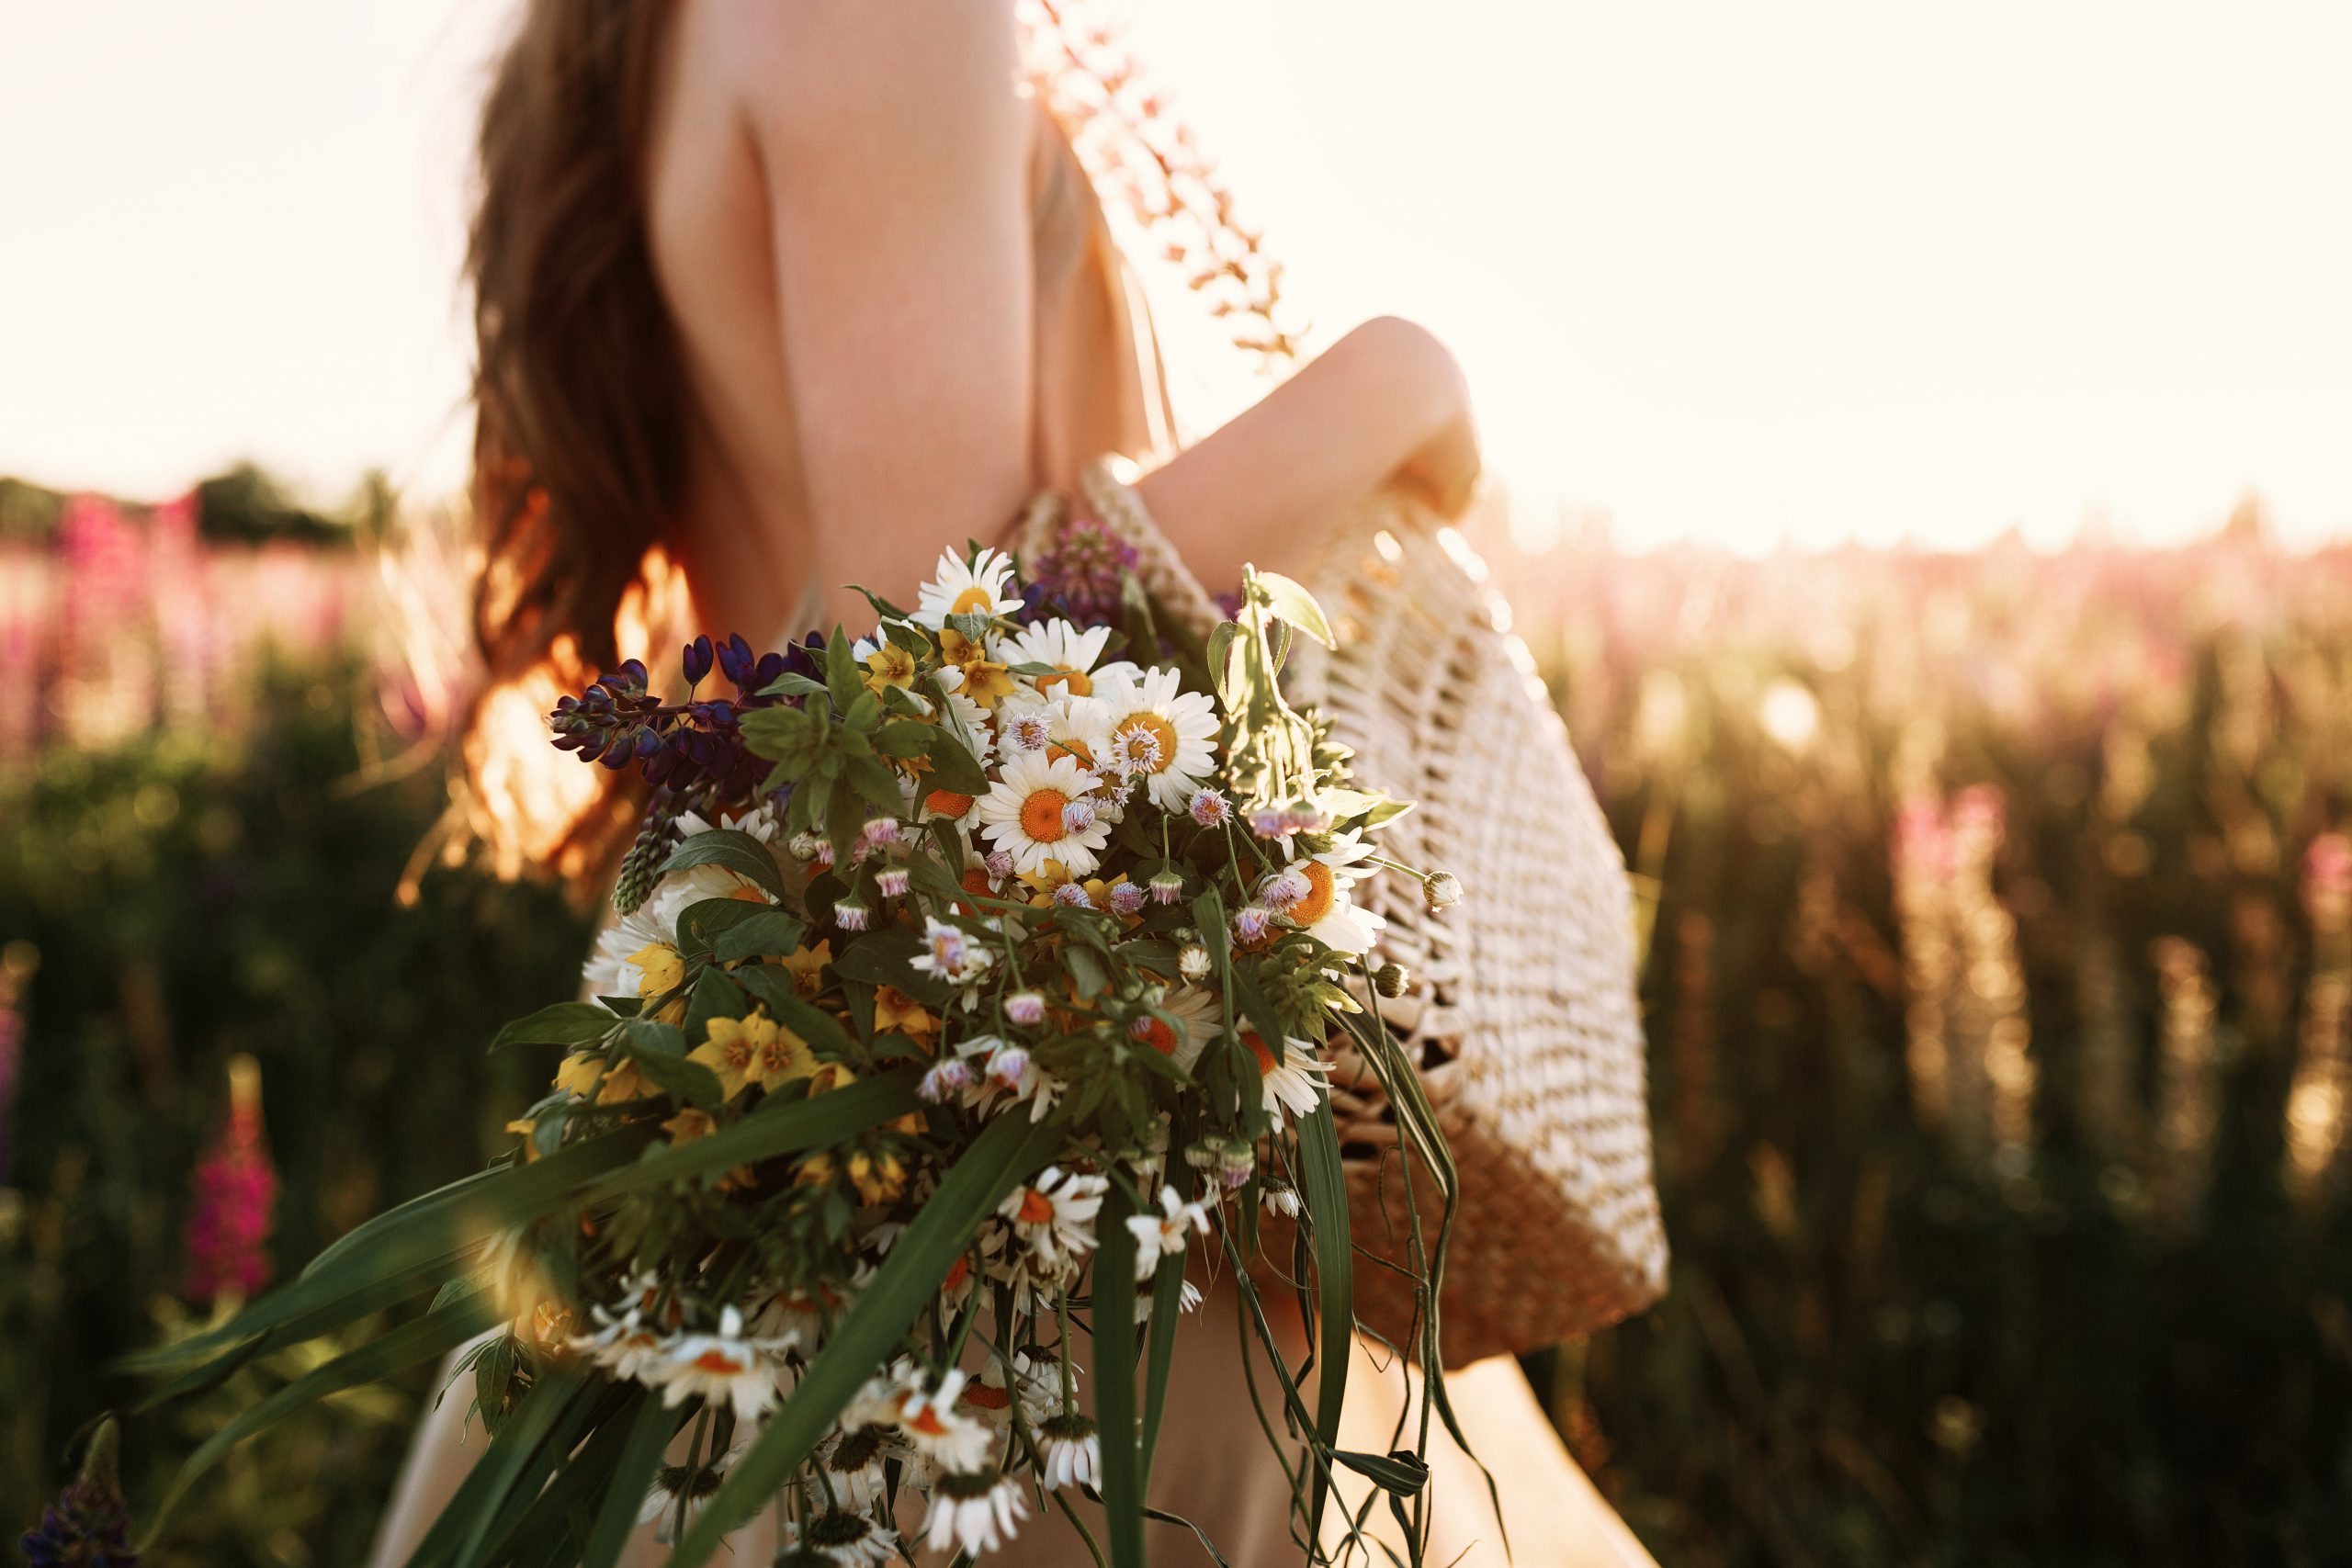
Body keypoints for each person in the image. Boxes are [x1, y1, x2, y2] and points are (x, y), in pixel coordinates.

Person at [372, 2, 1656, 1562]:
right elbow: (955, 679)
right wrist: (1386, 386)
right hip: (1006, 1159)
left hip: (826, 1076)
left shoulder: (648, 45)